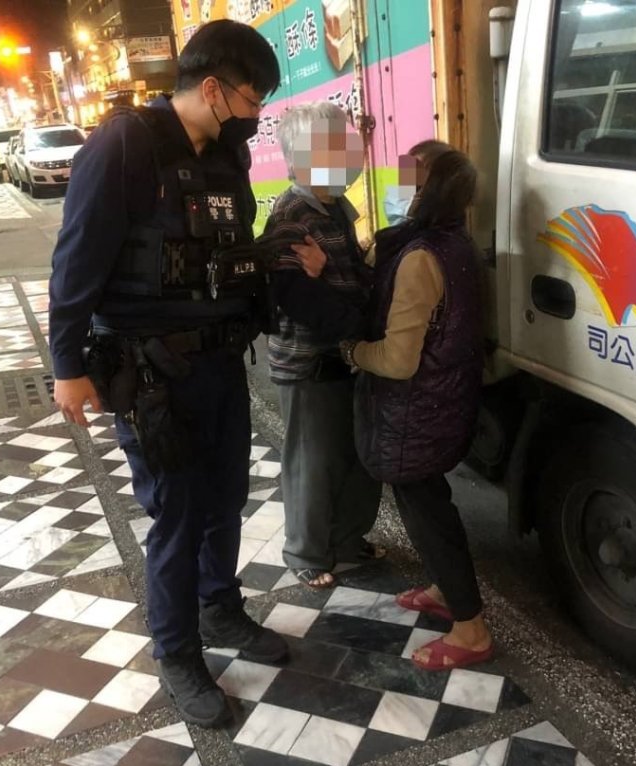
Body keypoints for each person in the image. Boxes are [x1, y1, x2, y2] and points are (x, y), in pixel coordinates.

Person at [48, 20, 299, 727]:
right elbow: (75, 261)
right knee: (178, 512)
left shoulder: (227, 155)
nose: (256, 114)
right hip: (150, 370)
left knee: (225, 497)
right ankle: (177, 651)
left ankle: (220, 608)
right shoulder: (125, 144)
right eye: (251, 98)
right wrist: (67, 365)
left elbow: (229, 247)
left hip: (218, 361)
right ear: (212, 88)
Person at [341, 147, 493, 670]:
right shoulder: (455, 243)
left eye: (412, 175)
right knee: (430, 502)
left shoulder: (418, 258)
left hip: (415, 412)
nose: (401, 183)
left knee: (428, 514)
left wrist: (351, 352)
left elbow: (398, 360)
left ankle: (471, 630)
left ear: (431, 189)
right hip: (443, 403)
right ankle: (446, 590)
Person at [264, 101, 384, 589]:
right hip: (310, 364)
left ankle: (348, 539)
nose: (347, 155)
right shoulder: (291, 214)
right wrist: (359, 325)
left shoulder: (333, 206)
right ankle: (306, 551)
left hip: (347, 357)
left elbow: (348, 274)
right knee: (312, 462)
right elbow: (297, 297)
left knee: (357, 456)